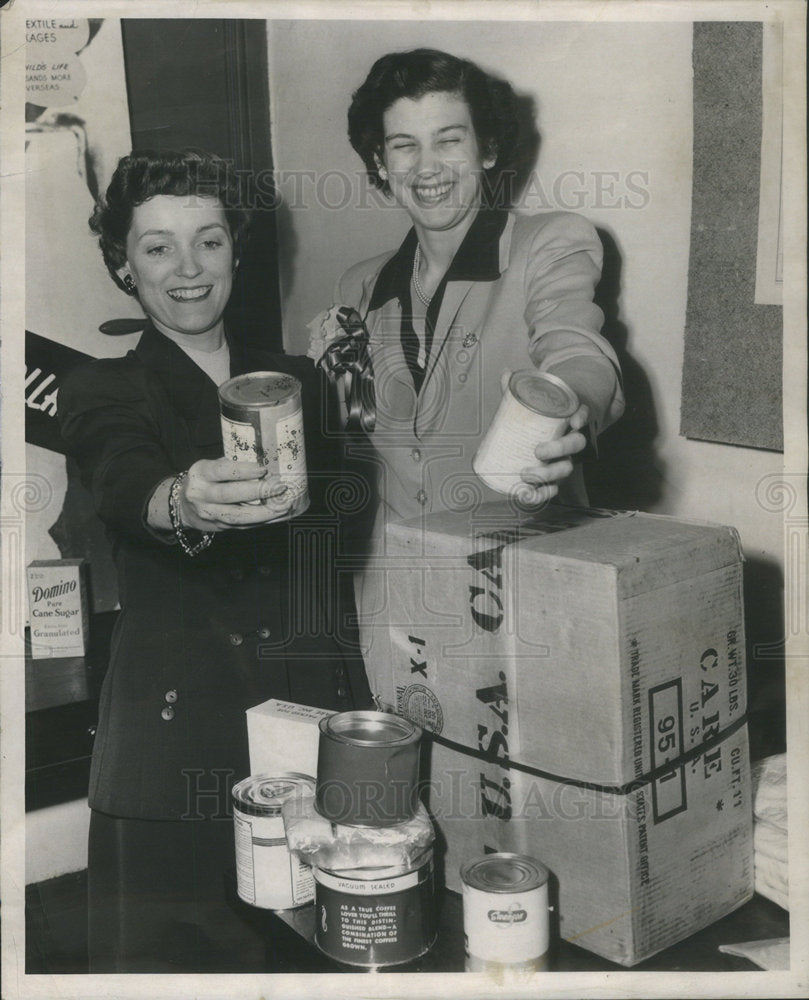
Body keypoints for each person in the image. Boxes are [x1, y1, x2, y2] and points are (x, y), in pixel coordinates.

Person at [58, 149, 371, 973]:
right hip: (177, 741)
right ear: (124, 266)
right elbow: (126, 477)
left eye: (208, 240)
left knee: (325, 959)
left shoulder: (299, 382)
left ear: (237, 247)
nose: (187, 269)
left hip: (311, 723)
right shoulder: (100, 389)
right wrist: (184, 501)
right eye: (157, 247)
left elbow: (341, 546)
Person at [309, 49, 625, 685]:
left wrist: (572, 412)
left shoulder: (548, 244)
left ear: (486, 150)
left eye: (449, 140)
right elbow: (350, 444)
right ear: (379, 162)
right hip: (393, 598)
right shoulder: (359, 288)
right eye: (403, 145)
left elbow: (575, 348)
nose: (426, 168)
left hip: (522, 592)